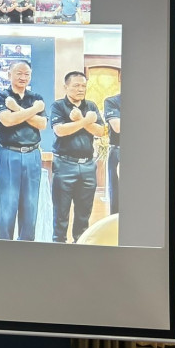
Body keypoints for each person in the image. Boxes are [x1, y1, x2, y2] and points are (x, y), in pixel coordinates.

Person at [0, 61, 47, 241]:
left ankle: (26, 249)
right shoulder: (2, 96)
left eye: (27, 74)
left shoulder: (36, 98)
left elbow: (42, 124)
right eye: (19, 73)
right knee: (7, 207)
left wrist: (17, 109)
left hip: (33, 154)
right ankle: (5, 249)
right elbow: (7, 120)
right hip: (9, 153)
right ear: (9, 74)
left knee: (30, 206)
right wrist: (34, 111)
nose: (23, 77)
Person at [50, 71, 105, 243]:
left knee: (84, 213)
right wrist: (85, 121)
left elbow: (100, 131)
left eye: (83, 86)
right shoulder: (58, 106)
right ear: (65, 87)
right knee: (61, 213)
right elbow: (60, 131)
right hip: (64, 164)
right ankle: (58, 246)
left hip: (88, 165)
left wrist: (80, 119)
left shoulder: (91, 106)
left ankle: (80, 245)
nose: (80, 89)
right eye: (76, 85)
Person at [103, 92, 121, 216]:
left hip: (141, 150)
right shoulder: (112, 101)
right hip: (118, 151)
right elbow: (117, 127)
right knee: (117, 194)